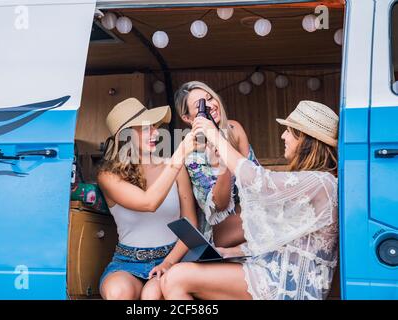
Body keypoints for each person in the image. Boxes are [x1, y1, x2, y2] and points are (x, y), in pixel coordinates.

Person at [161, 100, 339, 300]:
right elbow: (280, 239)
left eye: (288, 131)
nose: (283, 136)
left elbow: (258, 180)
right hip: (273, 271)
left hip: (288, 284)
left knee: (176, 278)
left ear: (305, 139)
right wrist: (227, 252)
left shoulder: (322, 182)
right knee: (176, 276)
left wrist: (214, 135)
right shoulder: (313, 181)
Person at [97, 98, 197, 300]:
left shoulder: (174, 168)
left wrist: (168, 263)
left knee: (152, 295)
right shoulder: (107, 177)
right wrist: (179, 156)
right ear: (124, 137)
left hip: (172, 258)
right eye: (146, 129)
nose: (157, 133)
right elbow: (148, 203)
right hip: (127, 262)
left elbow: (190, 225)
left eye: (154, 127)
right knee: (117, 293)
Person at [174, 81, 259, 247]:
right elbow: (220, 206)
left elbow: (254, 183)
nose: (210, 105)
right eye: (200, 105)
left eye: (210, 98)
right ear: (187, 118)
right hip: (221, 234)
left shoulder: (234, 129)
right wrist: (223, 166)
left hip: (252, 218)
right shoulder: (191, 154)